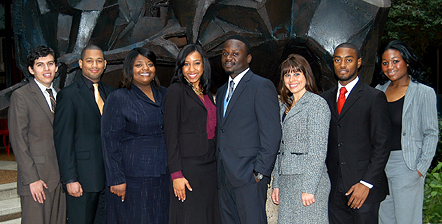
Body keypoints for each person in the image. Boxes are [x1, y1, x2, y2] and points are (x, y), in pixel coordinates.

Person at [321, 43, 391, 224]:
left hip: (363, 189)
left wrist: (366, 183)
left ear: (358, 62)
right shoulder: (324, 99)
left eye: (348, 60)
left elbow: (382, 145)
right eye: (338, 60)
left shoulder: (374, 97)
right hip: (333, 189)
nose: (342, 65)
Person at [216, 35, 281, 224]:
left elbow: (272, 134)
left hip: (249, 179)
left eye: (235, 54)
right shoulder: (221, 92)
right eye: (225, 53)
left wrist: (259, 172)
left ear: (248, 58)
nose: (229, 58)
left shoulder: (261, 86)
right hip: (224, 177)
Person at [101, 47, 169, 223]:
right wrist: (116, 179)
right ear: (129, 69)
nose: (145, 69)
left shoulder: (165, 94)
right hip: (133, 179)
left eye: (150, 64)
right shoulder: (119, 97)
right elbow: (110, 141)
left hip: (163, 175)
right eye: (138, 65)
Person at [375, 40, 438, 224]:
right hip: (381, 166)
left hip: (407, 165)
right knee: (384, 219)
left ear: (407, 62)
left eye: (395, 61)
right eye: (385, 63)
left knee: (406, 220)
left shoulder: (423, 92)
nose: (390, 67)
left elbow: (431, 133)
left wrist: (419, 169)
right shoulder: (378, 92)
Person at [54, 44, 115, 224]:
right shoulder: (69, 95)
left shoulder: (112, 93)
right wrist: (70, 179)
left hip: (109, 180)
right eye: (89, 61)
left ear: (105, 64)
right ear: (81, 63)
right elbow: (63, 140)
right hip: (82, 181)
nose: (94, 65)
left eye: (98, 61)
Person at [8, 46, 66, 224]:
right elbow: (19, 141)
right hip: (38, 179)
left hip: (62, 179)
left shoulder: (62, 95)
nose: (46, 69)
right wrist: (32, 179)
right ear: (31, 70)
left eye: (50, 64)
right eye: (40, 65)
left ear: (56, 68)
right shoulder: (21, 96)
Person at [164, 44, 221, 224]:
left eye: (196, 63)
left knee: (209, 216)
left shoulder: (205, 91)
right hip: (189, 168)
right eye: (186, 64)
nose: (192, 69)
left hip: (210, 167)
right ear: (180, 67)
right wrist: (176, 175)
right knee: (191, 217)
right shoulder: (176, 91)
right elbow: (170, 135)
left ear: (204, 65)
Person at [271, 54, 330, 223]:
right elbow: (279, 148)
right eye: (287, 74)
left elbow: (318, 150)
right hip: (286, 182)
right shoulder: (283, 106)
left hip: (308, 182)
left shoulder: (316, 104)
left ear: (306, 75)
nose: (292, 79)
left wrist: (309, 187)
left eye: (297, 73)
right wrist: (276, 183)